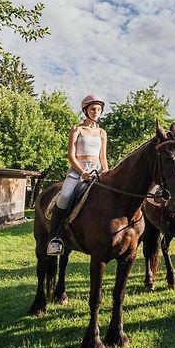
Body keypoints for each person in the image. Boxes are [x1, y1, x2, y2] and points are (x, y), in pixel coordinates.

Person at [46, 94, 108, 256]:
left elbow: (103, 157)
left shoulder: (102, 133)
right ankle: (54, 239)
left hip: (97, 172)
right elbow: (71, 156)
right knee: (65, 197)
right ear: (85, 110)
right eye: (93, 109)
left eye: (99, 109)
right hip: (77, 172)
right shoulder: (77, 129)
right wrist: (82, 172)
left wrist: (107, 174)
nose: (96, 112)